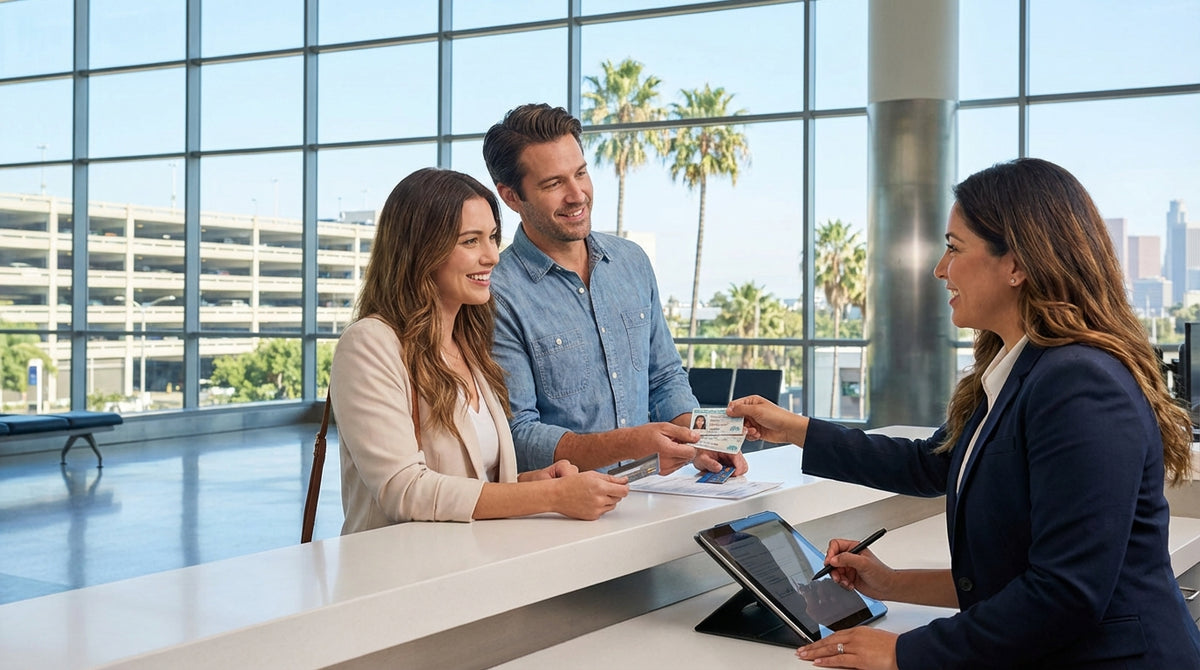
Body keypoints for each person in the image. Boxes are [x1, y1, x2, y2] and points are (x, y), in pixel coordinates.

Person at [728, 158, 1200, 669]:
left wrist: (906, 652)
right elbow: (931, 464)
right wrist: (797, 431)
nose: (939, 268)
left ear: (1017, 264)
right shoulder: (1018, 369)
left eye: (954, 248)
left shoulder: (1079, 384)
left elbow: (1066, 593)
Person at [331, 168, 629, 535]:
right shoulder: (370, 345)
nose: (492, 256)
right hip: (401, 580)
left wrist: (531, 482)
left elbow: (469, 482)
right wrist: (551, 496)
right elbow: (404, 490)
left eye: (492, 237)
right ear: (420, 251)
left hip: (471, 572)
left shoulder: (468, 345)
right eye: (470, 241)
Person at [482, 103, 748, 477]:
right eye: (554, 183)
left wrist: (701, 440)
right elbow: (517, 436)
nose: (578, 195)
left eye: (581, 173)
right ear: (511, 196)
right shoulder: (497, 294)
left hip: (655, 496)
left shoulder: (631, 262)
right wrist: (633, 442)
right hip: (561, 515)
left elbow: (664, 377)